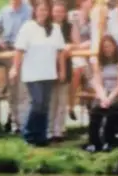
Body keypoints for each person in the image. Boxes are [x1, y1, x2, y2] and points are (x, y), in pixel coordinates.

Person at [13, 0, 65, 146]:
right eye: (41, 10)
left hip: (48, 72)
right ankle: (29, 133)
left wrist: (62, 70)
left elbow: (60, 51)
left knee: (44, 105)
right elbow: (19, 50)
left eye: (46, 10)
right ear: (35, 11)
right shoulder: (28, 27)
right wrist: (14, 68)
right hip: (32, 73)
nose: (43, 13)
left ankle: (41, 136)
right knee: (37, 102)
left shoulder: (55, 28)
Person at [0, 0, 34, 134]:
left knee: (23, 90)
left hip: (24, 52)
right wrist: (0, 42)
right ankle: (15, 123)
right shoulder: (4, 11)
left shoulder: (29, 10)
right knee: (12, 90)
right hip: (8, 52)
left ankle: (24, 123)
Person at [84, 34, 118, 150]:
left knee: (113, 108)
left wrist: (110, 98)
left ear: (114, 46)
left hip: (117, 92)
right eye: (104, 47)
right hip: (103, 91)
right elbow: (97, 82)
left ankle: (109, 141)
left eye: (109, 46)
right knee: (95, 109)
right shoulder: (97, 61)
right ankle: (94, 142)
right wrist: (103, 97)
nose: (107, 49)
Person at [47, 0, 74, 140]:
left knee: (62, 100)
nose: (59, 14)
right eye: (56, 11)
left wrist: (70, 46)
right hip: (50, 65)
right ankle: (49, 129)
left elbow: (75, 42)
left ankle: (59, 130)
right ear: (52, 12)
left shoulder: (69, 27)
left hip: (65, 65)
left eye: (61, 11)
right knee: (51, 99)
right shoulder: (47, 27)